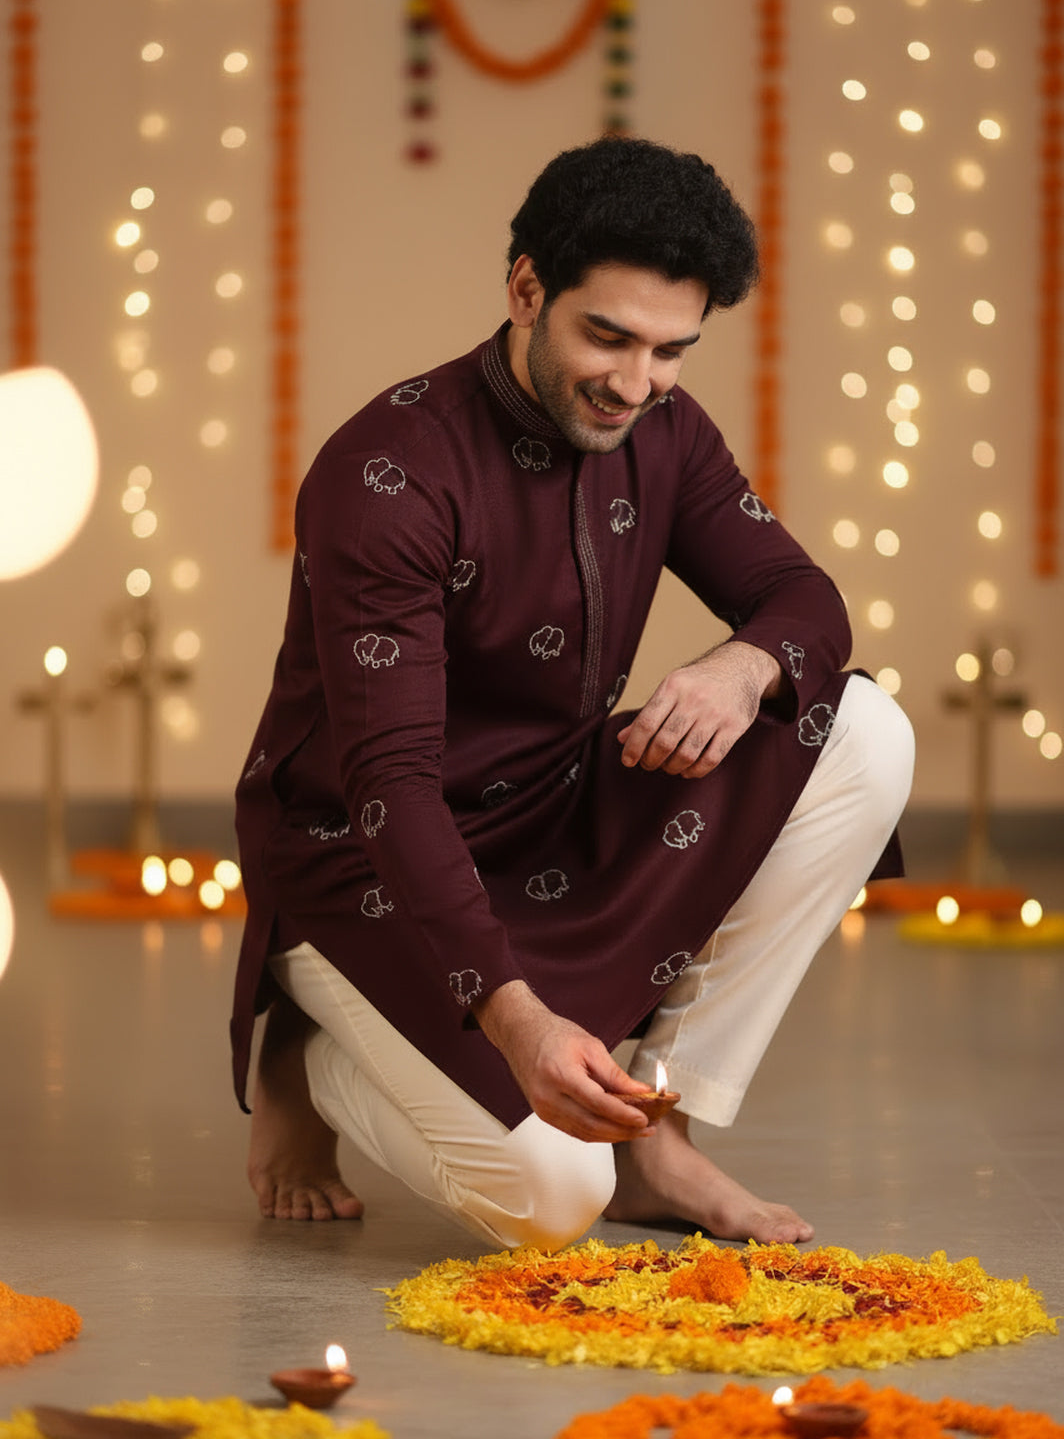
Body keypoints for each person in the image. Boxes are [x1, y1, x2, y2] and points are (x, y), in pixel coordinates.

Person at [231, 136, 914, 1252]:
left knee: (866, 731)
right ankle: (313, 1066)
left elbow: (803, 599)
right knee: (553, 1201)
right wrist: (515, 1021)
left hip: (556, 816)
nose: (635, 384)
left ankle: (659, 1131)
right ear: (525, 289)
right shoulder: (388, 474)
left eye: (670, 350)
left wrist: (741, 666)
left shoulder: (668, 433)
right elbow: (390, 783)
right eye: (608, 336)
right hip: (363, 861)